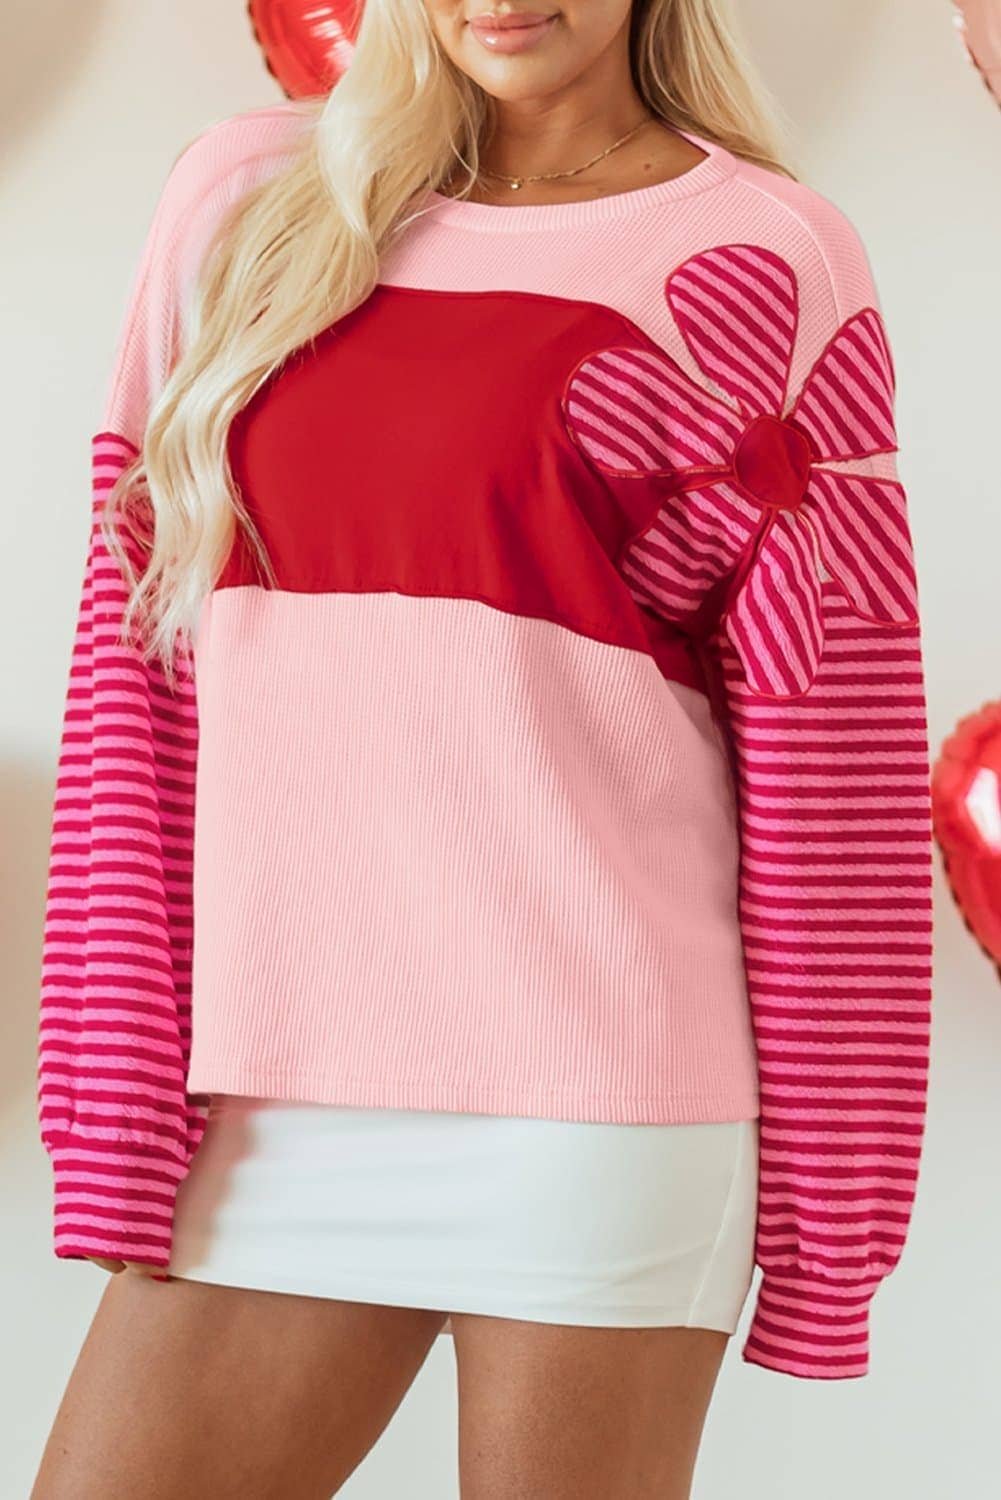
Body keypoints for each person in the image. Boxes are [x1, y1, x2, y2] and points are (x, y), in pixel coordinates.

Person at [31, 2, 933, 1496]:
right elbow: (133, 665)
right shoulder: (246, 199)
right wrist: (121, 1084)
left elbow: (831, 769)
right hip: (269, 1087)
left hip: (599, 1098)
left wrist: (831, 1229)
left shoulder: (766, 252)